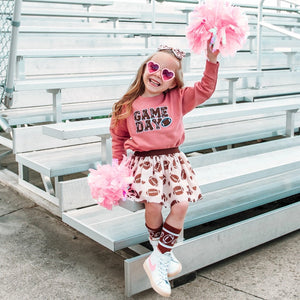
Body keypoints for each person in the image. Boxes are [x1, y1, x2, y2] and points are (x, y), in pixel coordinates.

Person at [110, 42, 219, 297]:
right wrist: (119, 173)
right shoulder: (128, 104)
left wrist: (212, 59)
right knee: (154, 205)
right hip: (144, 163)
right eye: (155, 66)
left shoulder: (178, 99)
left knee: (181, 205)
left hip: (172, 161)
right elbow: (117, 140)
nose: (158, 74)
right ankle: (163, 254)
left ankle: (158, 257)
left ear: (173, 82)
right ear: (145, 67)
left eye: (167, 73)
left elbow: (205, 88)